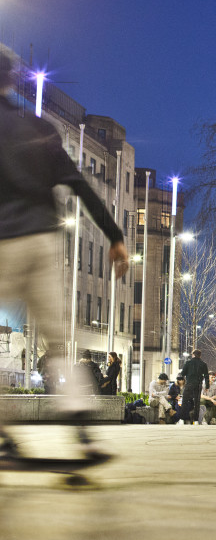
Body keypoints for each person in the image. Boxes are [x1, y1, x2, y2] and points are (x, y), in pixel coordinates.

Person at [0, 49, 129, 458]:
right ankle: (82, 432)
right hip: (44, 241)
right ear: (13, 81)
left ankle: (6, 436)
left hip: (4, 241)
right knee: (58, 342)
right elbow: (81, 186)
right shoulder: (39, 130)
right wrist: (115, 236)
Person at [180, 350, 209, 426]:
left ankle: (182, 419)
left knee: (185, 401)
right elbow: (206, 376)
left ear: (193, 355)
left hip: (189, 384)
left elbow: (183, 373)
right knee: (197, 403)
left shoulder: (188, 363)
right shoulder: (203, 364)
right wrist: (207, 386)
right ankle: (196, 420)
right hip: (198, 385)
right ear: (200, 355)